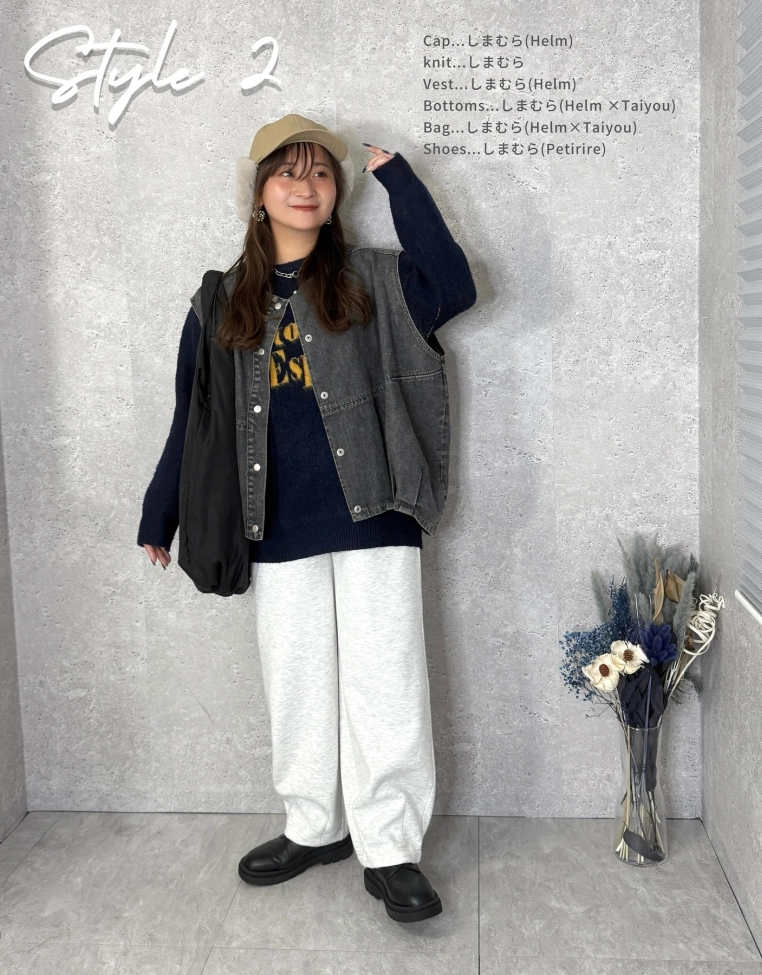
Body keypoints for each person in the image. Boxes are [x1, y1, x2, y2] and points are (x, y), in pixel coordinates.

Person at [137, 113, 477, 923]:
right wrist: (160, 511)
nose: (305, 185)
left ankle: (389, 848)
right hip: (275, 524)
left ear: (336, 194)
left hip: (375, 510)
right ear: (258, 193)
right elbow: (194, 416)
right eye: (287, 172)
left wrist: (400, 181)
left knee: (385, 681)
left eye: (320, 172)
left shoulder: (376, 280)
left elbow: (455, 284)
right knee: (296, 682)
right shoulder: (220, 300)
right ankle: (316, 825)